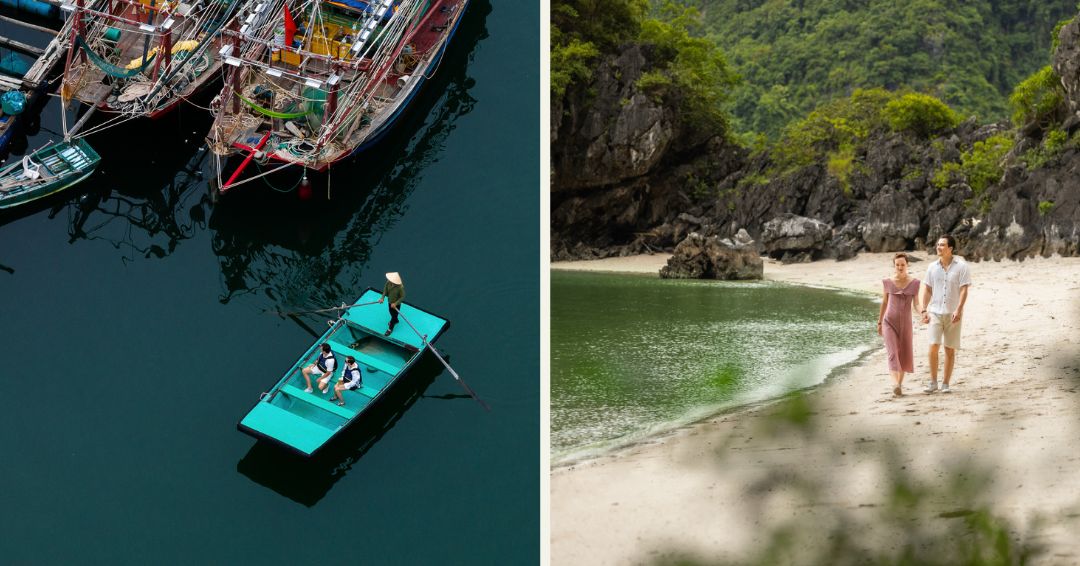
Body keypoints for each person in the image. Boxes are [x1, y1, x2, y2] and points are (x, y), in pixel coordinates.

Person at [918, 235, 972, 393]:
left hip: (953, 314)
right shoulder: (932, 267)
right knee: (933, 346)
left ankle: (946, 384)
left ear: (950, 249)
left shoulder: (961, 267)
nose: (938, 247)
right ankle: (933, 382)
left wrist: (959, 309)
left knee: (949, 349)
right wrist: (923, 310)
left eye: (942, 245)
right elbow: (927, 289)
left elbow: (964, 290)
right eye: (938, 245)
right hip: (935, 312)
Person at [877, 253, 921, 396]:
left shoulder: (914, 283)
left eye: (903, 264)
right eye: (897, 265)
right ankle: (895, 383)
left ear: (907, 265)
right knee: (892, 354)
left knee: (904, 355)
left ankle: (899, 386)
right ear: (894, 266)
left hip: (906, 324)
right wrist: (879, 322)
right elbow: (884, 303)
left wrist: (924, 312)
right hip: (888, 322)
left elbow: (917, 304)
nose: (900, 267)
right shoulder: (887, 282)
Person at [379, 271, 406, 336]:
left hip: (396, 305)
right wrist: (382, 298)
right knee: (391, 313)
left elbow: (402, 297)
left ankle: (390, 329)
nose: (389, 280)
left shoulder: (400, 288)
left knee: (393, 316)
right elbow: (385, 289)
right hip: (390, 302)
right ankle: (396, 320)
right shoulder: (388, 283)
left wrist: (395, 304)